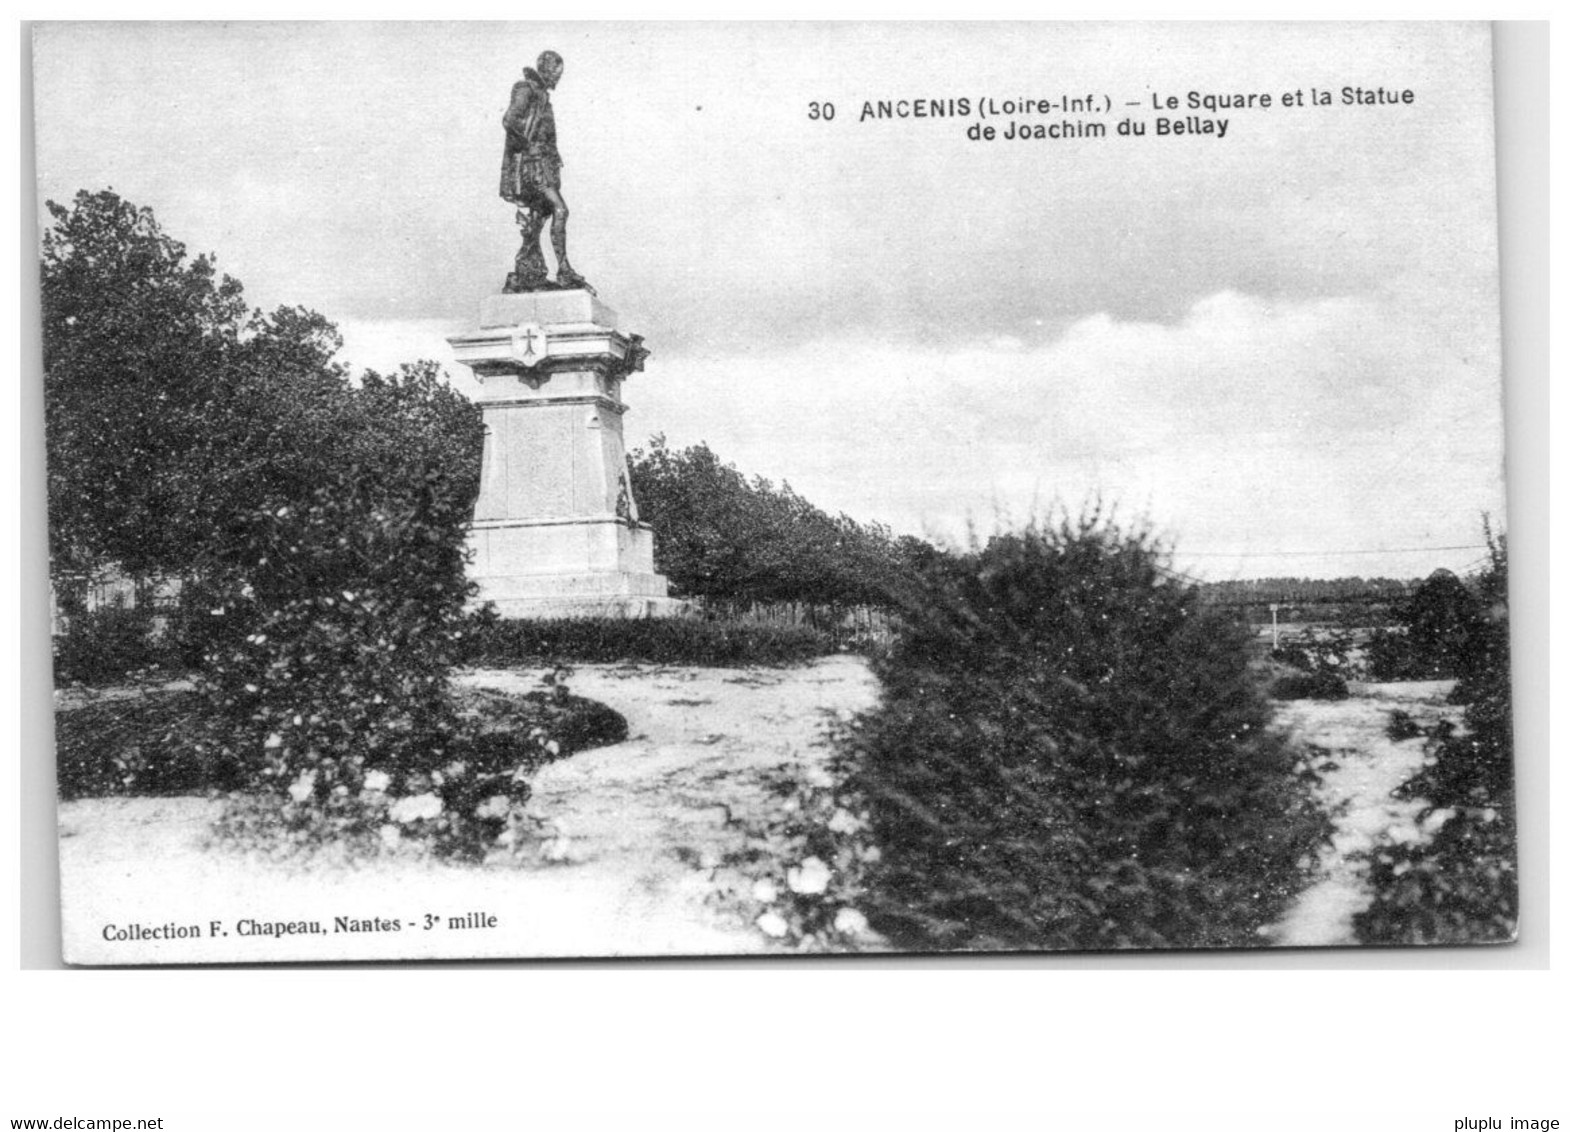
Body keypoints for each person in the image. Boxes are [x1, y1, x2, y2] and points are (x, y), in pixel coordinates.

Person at [499, 50, 592, 293]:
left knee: (539, 218)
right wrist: (529, 145)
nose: (557, 79)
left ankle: (528, 270)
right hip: (533, 166)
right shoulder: (526, 88)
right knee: (560, 209)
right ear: (546, 69)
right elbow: (510, 120)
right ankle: (564, 269)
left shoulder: (542, 95)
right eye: (556, 73)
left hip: (544, 165)